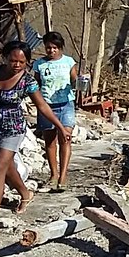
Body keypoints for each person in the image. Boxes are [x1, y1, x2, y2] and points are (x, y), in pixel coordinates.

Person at [0, 41, 70, 236]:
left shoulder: (27, 81)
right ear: (6, 58)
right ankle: (25, 193)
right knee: (7, 167)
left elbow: (42, 105)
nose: (17, 65)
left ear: (27, 62)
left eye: (22, 62)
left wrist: (60, 126)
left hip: (13, 128)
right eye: (13, 60)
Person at [32, 31, 77, 192]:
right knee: (50, 141)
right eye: (48, 48)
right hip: (46, 106)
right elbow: (36, 83)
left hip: (66, 105)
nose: (51, 51)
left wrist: (79, 84)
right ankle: (53, 174)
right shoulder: (39, 64)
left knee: (65, 138)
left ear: (60, 47)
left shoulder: (68, 62)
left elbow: (74, 80)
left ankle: (63, 176)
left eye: (54, 48)